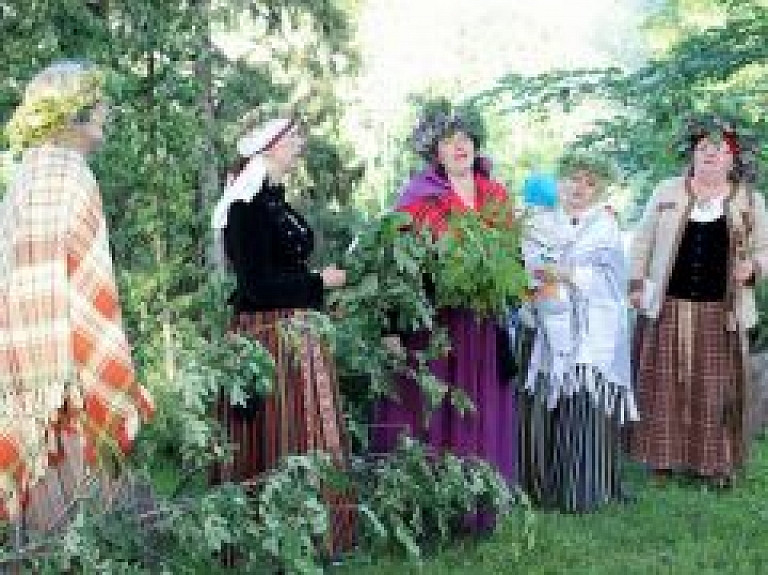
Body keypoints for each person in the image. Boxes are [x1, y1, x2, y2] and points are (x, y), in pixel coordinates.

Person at [0, 61, 154, 530]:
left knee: (39, 495)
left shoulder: (28, 175)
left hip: (22, 371)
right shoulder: (72, 173)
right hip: (70, 378)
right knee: (81, 507)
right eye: (99, 103)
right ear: (77, 113)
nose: (106, 111)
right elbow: (90, 286)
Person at [210, 109, 354, 552]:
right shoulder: (245, 207)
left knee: (309, 424)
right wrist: (318, 282)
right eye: (294, 137)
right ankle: (267, 534)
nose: (300, 144)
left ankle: (315, 535)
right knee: (280, 427)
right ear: (270, 145)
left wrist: (318, 289)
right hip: (266, 333)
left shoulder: (274, 200)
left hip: (297, 328)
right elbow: (255, 285)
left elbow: (284, 266)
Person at [373, 101, 517, 531]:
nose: (460, 147)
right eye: (449, 140)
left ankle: (476, 504)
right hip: (435, 326)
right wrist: (394, 327)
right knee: (433, 408)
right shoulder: (418, 197)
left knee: (478, 406)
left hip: (483, 323)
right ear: (434, 150)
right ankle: (428, 504)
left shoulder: (496, 195)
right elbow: (398, 265)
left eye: (466, 139)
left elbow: (514, 255)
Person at [629, 114, 767, 486]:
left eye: (719, 149)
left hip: (722, 311)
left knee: (717, 388)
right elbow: (642, 241)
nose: (710, 154)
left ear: (732, 158)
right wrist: (636, 284)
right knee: (664, 385)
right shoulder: (667, 191)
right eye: (703, 147)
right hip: (668, 305)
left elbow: (765, 251)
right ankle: (661, 458)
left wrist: (752, 267)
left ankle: (715, 464)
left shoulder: (750, 201)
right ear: (692, 154)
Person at [517, 151, 637, 512]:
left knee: (583, 400)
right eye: (574, 179)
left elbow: (613, 281)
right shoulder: (536, 220)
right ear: (561, 180)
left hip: (589, 334)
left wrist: (568, 276)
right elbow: (524, 266)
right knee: (539, 400)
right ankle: (535, 487)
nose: (580, 188)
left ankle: (580, 489)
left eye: (590, 183)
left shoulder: (605, 226)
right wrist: (537, 278)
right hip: (544, 324)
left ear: (599, 190)